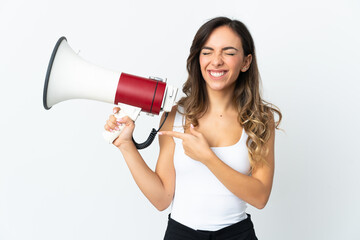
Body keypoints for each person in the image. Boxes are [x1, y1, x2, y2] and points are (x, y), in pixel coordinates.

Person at [104, 16, 282, 240]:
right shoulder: (175, 114)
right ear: (198, 59)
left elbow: (260, 197)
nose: (216, 61)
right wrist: (126, 145)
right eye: (207, 52)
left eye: (228, 52)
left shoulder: (259, 119)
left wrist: (207, 157)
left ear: (246, 62)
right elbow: (161, 199)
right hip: (181, 234)